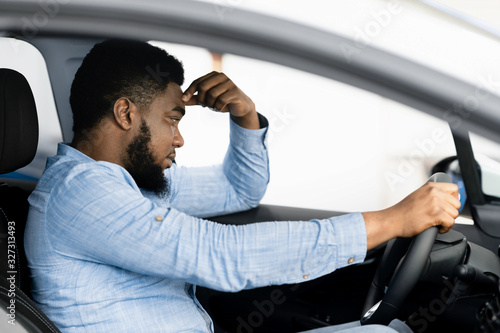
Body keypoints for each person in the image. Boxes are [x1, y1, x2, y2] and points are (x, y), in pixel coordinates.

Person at [25, 39, 460, 333]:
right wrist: (392, 220)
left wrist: (245, 117)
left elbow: (239, 191)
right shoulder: (80, 195)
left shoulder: (134, 186)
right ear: (125, 114)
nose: (179, 138)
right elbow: (223, 256)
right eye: (173, 119)